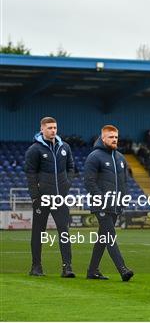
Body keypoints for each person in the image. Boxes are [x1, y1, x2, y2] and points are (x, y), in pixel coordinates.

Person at [24, 117, 75, 277]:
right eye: (50, 127)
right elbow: (30, 173)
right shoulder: (34, 149)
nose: (53, 130)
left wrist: (67, 183)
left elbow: (71, 167)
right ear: (42, 129)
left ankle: (67, 268)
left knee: (64, 231)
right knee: (38, 233)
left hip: (60, 198)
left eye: (55, 127)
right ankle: (36, 267)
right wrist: (35, 196)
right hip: (42, 198)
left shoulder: (64, 147)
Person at [84, 125, 134, 281]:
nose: (114, 140)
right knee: (110, 236)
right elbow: (89, 182)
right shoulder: (94, 156)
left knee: (103, 239)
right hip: (101, 205)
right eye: (111, 137)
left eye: (116, 137)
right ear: (103, 138)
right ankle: (123, 269)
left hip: (115, 205)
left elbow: (124, 181)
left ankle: (92, 271)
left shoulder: (120, 157)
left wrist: (124, 198)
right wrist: (101, 199)